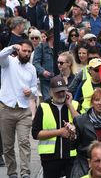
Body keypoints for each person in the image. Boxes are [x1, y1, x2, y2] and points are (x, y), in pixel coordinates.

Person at [0, 41, 37, 178]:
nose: (26, 53)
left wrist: (31, 90)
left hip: (23, 110)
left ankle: (25, 172)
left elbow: (34, 87)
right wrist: (11, 47)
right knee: (8, 145)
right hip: (6, 108)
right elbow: (0, 56)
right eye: (24, 50)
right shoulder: (8, 62)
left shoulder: (31, 68)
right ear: (19, 50)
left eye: (29, 52)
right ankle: (12, 173)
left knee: (24, 142)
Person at [32, 76, 80, 178]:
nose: (61, 94)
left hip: (71, 156)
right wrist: (59, 132)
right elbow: (35, 134)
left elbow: (82, 125)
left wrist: (69, 105)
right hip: (50, 158)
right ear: (51, 91)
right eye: (58, 91)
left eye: (63, 91)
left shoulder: (74, 105)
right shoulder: (43, 107)